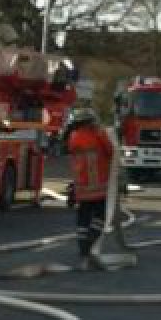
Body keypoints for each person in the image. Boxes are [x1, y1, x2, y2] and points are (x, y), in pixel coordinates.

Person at [64, 107, 113, 267]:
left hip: (82, 187)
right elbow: (110, 151)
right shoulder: (98, 135)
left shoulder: (74, 137)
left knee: (83, 218)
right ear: (89, 122)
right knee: (100, 216)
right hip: (98, 187)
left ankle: (83, 247)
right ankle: (91, 240)